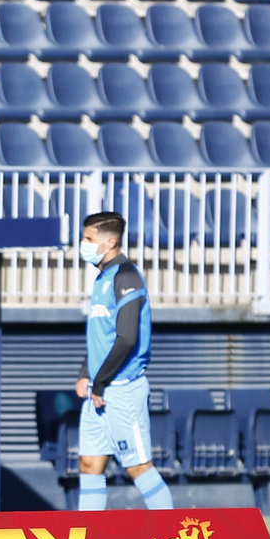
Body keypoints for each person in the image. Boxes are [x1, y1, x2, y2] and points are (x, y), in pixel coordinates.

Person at [75, 212, 173, 512]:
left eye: (89, 239)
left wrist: (100, 382)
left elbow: (127, 337)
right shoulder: (101, 278)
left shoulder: (126, 276)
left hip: (121, 390)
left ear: (110, 241)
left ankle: (177, 538)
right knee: (89, 464)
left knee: (139, 467)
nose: (83, 244)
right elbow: (101, 335)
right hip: (99, 389)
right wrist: (85, 372)